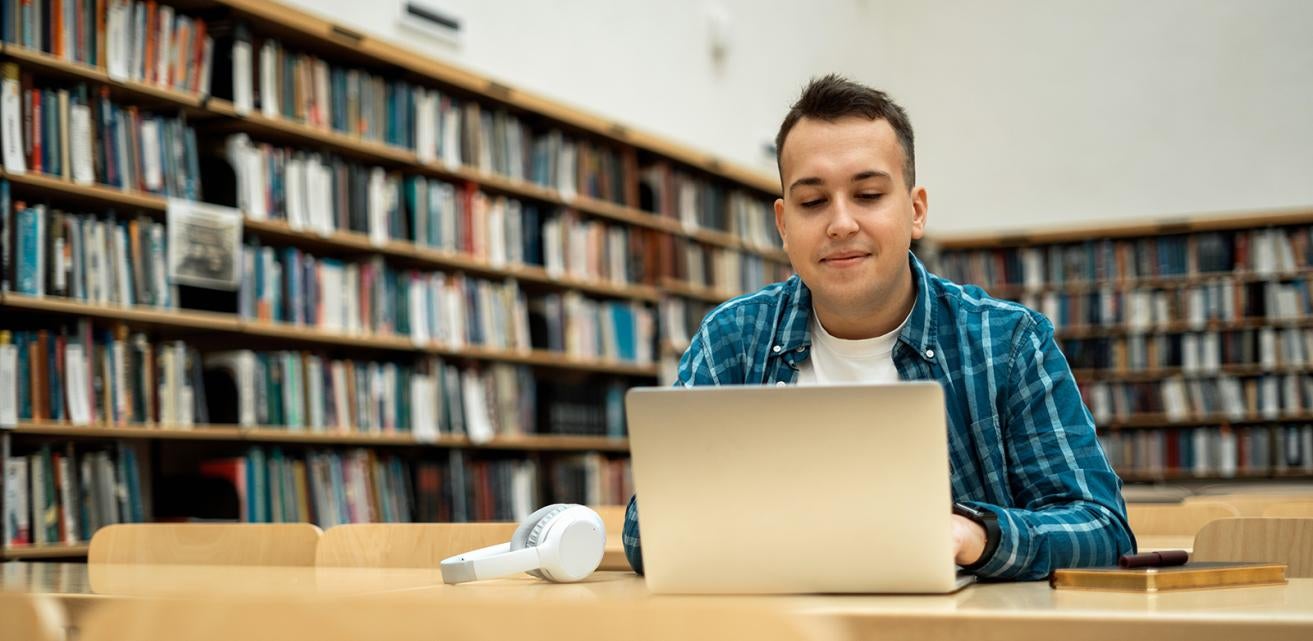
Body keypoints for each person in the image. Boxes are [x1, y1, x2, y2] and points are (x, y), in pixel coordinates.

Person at [622, 74, 1134, 581]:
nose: (841, 223)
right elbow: (647, 531)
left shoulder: (1010, 343)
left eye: (867, 194)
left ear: (915, 211)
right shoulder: (730, 339)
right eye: (812, 202)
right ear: (783, 225)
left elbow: (1101, 529)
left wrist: (973, 537)